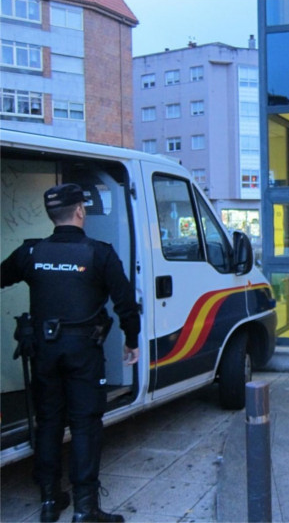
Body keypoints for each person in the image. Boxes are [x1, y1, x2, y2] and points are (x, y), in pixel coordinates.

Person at [1, 183, 140, 522]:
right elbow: (125, 303)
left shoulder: (31, 252)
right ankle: (85, 508)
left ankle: (50, 501)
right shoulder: (99, 253)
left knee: (48, 421)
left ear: (52, 215)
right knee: (85, 423)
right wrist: (131, 340)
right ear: (80, 211)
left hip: (43, 351)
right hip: (82, 352)